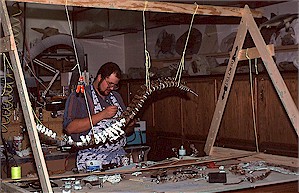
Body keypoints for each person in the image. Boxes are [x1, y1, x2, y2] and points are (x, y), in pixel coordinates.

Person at [63, 62, 133, 171]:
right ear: (100, 77)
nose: (111, 88)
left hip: (118, 160)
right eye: (109, 83)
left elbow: (127, 130)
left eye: (115, 85)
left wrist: (129, 124)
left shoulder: (116, 97)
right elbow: (70, 128)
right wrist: (102, 115)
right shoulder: (80, 96)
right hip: (92, 161)